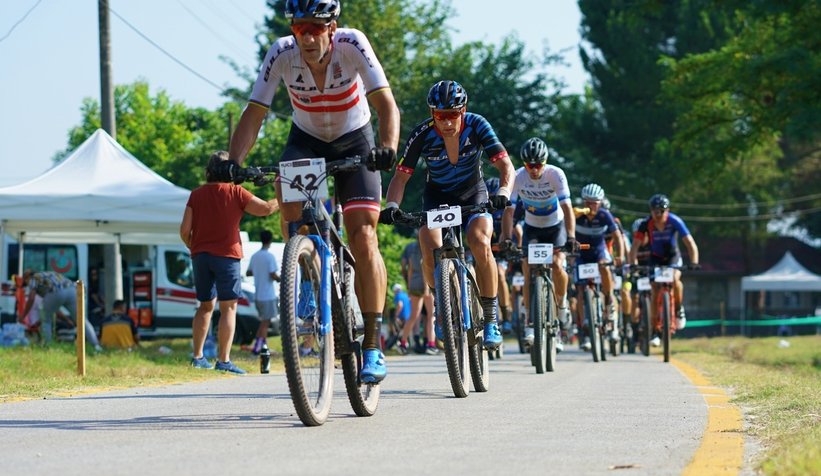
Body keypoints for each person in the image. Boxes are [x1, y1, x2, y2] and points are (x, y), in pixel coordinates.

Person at [222, 0, 399, 384]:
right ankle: (305, 273)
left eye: (315, 27)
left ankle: (372, 345)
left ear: (332, 28)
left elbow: (386, 104)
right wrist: (234, 162)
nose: (306, 35)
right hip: (307, 140)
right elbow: (255, 111)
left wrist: (387, 146)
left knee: (364, 235)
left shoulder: (353, 44)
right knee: (293, 213)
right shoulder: (281, 53)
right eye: (299, 27)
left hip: (355, 140)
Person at [380, 80, 516, 351]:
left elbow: (506, 166)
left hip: (473, 193)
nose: (447, 122)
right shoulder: (423, 133)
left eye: (453, 114)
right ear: (432, 114)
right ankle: (442, 304)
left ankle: (490, 319)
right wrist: (392, 206)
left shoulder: (477, 125)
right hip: (437, 196)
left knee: (479, 241)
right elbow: (401, 177)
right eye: (440, 115)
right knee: (427, 243)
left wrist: (503, 191)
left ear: (463, 110)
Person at [180, 151, 279, 374]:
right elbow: (264, 209)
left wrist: (193, 245)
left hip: (201, 256)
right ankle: (223, 360)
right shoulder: (236, 192)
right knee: (228, 308)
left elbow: (184, 230)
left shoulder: (196, 195)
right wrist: (282, 199)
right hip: (227, 256)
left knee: (205, 306)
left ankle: (197, 357)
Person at [500, 137, 577, 353]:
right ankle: (530, 321)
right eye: (529, 165)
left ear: (545, 162)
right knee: (527, 268)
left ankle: (561, 305)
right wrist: (506, 238)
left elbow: (568, 208)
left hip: (555, 226)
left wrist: (571, 236)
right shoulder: (518, 177)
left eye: (538, 165)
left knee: (557, 264)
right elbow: (509, 211)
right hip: (533, 228)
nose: (534, 170)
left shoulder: (556, 174)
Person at [629, 194, 699, 346]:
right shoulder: (646, 224)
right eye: (654, 211)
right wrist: (633, 263)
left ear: (667, 211)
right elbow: (634, 246)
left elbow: (689, 242)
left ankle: (679, 309)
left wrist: (694, 261)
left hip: (673, 256)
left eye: (661, 211)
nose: (658, 214)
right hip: (655, 258)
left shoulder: (675, 221)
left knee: (675, 279)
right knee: (654, 289)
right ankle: (655, 330)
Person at [574, 184, 624, 349]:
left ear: (600, 203)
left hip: (599, 251)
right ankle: (585, 328)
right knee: (581, 291)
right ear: (583, 202)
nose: (591, 206)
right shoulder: (577, 214)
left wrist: (620, 256)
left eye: (595, 202)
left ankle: (609, 300)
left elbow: (617, 237)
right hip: (581, 253)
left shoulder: (605, 215)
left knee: (604, 266)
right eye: (588, 202)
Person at [19, 270, 102, 351]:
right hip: (72, 290)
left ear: (27, 277)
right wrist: (67, 319)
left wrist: (23, 315)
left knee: (46, 320)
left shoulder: (34, 278)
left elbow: (31, 298)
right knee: (82, 320)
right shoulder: (49, 274)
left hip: (55, 291)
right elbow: (54, 308)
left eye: (25, 282)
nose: (26, 284)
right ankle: (96, 346)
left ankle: (47, 347)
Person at [399, 233, 437, 354]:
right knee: (431, 316)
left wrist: (409, 286)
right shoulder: (426, 249)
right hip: (426, 283)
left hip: (414, 283)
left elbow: (408, 268)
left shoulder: (412, 249)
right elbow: (424, 267)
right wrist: (427, 288)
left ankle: (403, 342)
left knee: (413, 316)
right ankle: (431, 344)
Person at [246, 229, 281, 355]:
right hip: (268, 295)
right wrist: (281, 279)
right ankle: (258, 347)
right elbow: (272, 274)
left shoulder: (255, 256)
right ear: (270, 240)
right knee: (265, 323)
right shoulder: (269, 256)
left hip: (258, 295)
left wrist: (258, 271)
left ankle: (261, 345)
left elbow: (248, 272)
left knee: (263, 321)